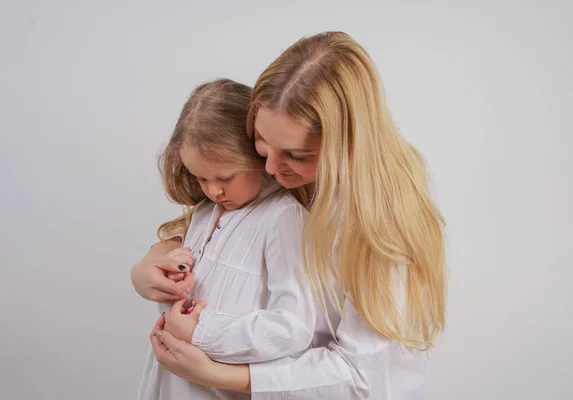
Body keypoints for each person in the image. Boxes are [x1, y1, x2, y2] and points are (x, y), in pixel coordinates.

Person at [133, 31, 446, 399]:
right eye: (260, 142)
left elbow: (361, 376)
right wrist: (149, 266)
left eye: (296, 155)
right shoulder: (276, 181)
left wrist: (224, 375)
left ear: (346, 146)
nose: (270, 168)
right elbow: (206, 236)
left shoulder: (382, 225)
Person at [134, 78, 316, 400]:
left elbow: (292, 327)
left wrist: (203, 331)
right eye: (201, 177)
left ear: (257, 156)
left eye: (225, 177)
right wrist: (166, 277)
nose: (213, 190)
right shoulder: (206, 212)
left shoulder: (282, 218)